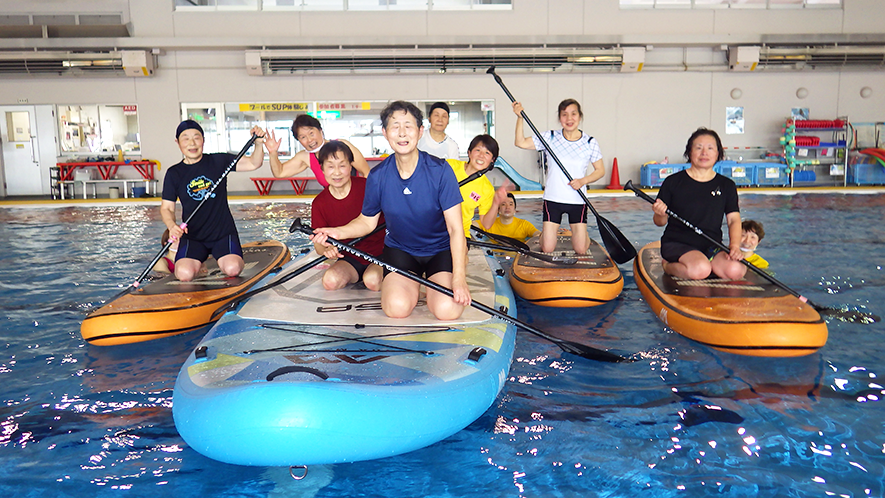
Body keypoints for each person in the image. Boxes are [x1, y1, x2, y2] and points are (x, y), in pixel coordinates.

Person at [311, 100, 469, 321]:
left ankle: (433, 283)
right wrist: (336, 232)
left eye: (408, 126)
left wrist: (459, 279)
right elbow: (367, 222)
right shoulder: (378, 176)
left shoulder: (441, 171)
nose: (402, 133)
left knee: (447, 310)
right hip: (401, 251)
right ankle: (413, 285)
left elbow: (455, 229)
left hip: (439, 250)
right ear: (385, 133)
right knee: (397, 308)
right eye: (395, 126)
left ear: (420, 131)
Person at [160, 119, 266, 282]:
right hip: (193, 237)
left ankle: (218, 258)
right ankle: (199, 262)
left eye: (196, 137)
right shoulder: (174, 173)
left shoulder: (218, 161)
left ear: (203, 140)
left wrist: (258, 144)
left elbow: (253, 163)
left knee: (233, 269)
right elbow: (167, 208)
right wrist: (171, 226)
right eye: (186, 138)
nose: (192, 143)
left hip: (222, 233)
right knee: (184, 274)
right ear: (178, 142)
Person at [651, 127, 747, 281]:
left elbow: (733, 220)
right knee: (701, 270)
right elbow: (659, 222)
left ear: (718, 153)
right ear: (689, 152)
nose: (704, 153)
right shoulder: (673, 182)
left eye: (710, 148)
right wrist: (659, 213)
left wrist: (734, 247)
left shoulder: (726, 185)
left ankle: (708, 264)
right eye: (698, 148)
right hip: (677, 244)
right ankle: (668, 266)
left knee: (735, 271)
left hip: (712, 245)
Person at [512, 99, 604, 254]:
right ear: (560, 118)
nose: (569, 119)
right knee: (547, 248)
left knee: (581, 250)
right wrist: (520, 118)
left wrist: (583, 181)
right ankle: (546, 233)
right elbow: (520, 142)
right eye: (564, 114)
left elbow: (600, 170)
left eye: (573, 114)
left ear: (580, 116)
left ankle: (583, 234)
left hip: (577, 199)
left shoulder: (590, 142)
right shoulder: (551, 137)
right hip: (553, 199)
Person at [311, 140, 385, 291]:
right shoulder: (319, 203)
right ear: (322, 169)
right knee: (330, 281)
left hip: (381, 254)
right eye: (330, 166)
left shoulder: (368, 187)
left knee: (372, 280)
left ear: (351, 166)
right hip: (350, 257)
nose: (337, 172)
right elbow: (318, 243)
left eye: (342, 165)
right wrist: (326, 250)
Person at [264, 114, 370, 186]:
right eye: (303, 137)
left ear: (320, 130)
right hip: (333, 204)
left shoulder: (342, 146)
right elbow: (280, 173)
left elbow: (367, 174)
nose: (310, 140)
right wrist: (273, 153)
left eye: (311, 133)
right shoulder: (305, 157)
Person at [447, 134, 512, 238]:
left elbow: (486, 224)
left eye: (487, 153)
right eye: (478, 150)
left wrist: (496, 203)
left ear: (492, 160)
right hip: (432, 227)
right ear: (469, 153)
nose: (481, 155)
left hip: (459, 234)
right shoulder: (449, 166)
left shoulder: (487, 189)